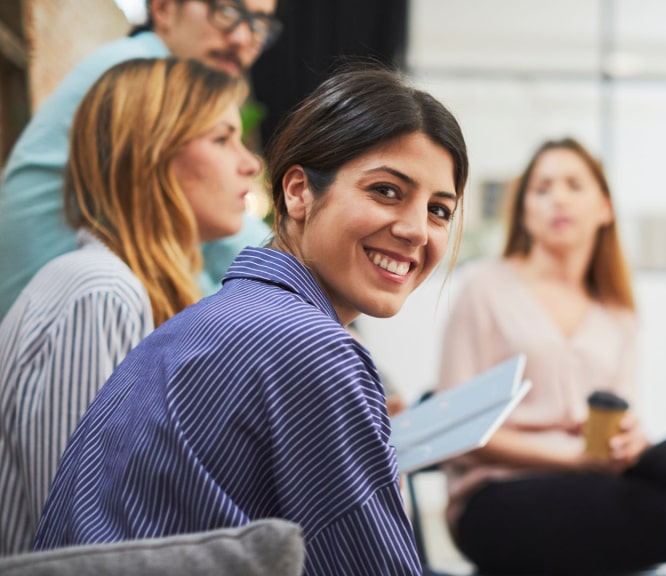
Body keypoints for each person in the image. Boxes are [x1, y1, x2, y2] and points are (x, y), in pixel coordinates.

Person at [33, 66, 469, 576]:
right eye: (387, 191)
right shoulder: (312, 345)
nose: (417, 230)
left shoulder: (209, 319)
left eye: (440, 210)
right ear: (298, 192)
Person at [436, 138, 666, 575]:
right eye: (542, 189)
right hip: (501, 496)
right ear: (525, 211)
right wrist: (570, 459)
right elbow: (456, 432)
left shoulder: (616, 313)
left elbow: (614, 420)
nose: (558, 198)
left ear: (604, 208)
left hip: (592, 481)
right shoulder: (485, 287)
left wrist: (628, 440)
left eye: (573, 185)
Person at [0, 57, 260, 556]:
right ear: (151, 153)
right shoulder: (99, 292)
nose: (249, 163)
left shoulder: (130, 291)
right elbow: (85, 546)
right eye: (222, 139)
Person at [0, 0, 281, 318]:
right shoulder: (138, 78)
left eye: (258, 24)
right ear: (163, 9)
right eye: (227, 12)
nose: (243, 39)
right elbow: (234, 244)